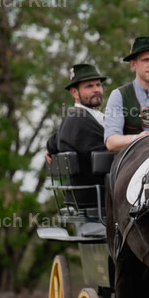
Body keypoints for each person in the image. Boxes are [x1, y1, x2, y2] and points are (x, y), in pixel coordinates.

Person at [46, 63, 109, 207]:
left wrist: (50, 145)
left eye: (98, 85)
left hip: (99, 199)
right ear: (74, 93)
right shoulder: (78, 119)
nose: (96, 90)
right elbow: (109, 151)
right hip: (95, 202)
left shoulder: (89, 117)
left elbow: (58, 137)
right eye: (89, 86)